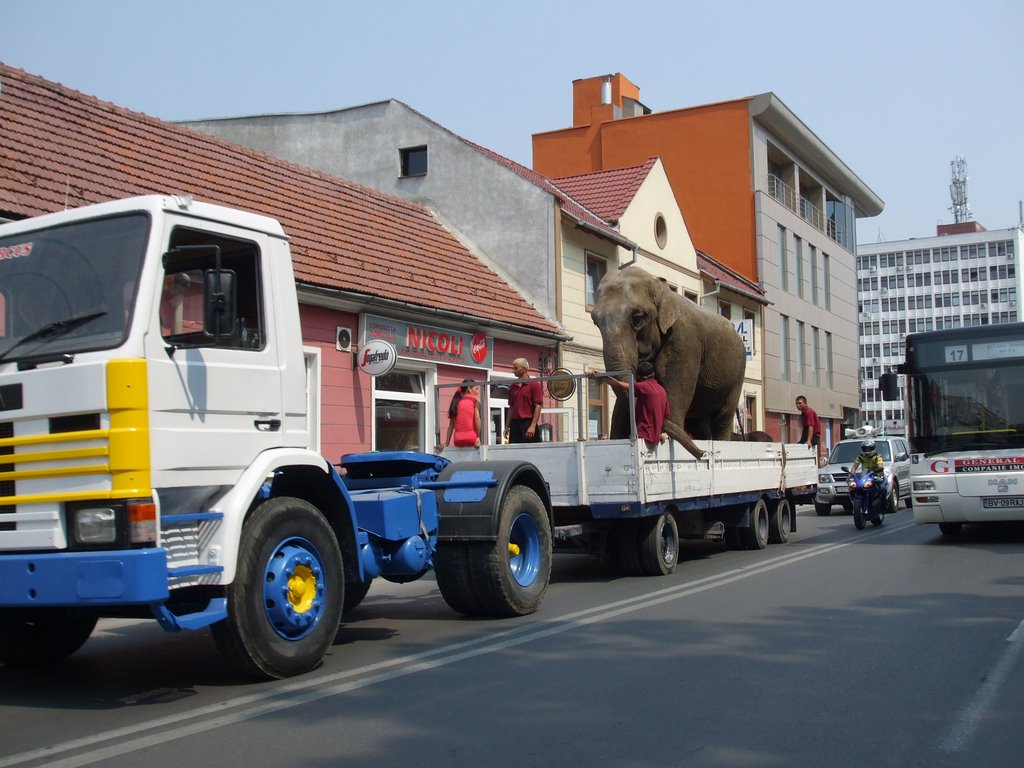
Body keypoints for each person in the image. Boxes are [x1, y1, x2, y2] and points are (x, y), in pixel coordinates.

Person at [590, 361, 669, 449]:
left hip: (642, 436)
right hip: (654, 439)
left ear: (639, 377)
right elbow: (666, 416)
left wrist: (600, 376)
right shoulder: (662, 391)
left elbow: (619, 384)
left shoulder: (644, 387)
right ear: (653, 374)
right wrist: (659, 433)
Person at [506, 357, 543, 443]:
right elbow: (511, 407)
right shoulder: (513, 386)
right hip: (515, 423)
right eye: (513, 368)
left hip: (528, 422)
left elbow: (538, 406)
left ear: (524, 369)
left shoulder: (534, 385)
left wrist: (533, 426)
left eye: (516, 368)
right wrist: (507, 426)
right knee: (515, 452)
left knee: (531, 452)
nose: (513, 371)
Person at [442, 380, 481, 449]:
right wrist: (479, 437)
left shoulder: (455, 402)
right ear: (469, 389)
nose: (478, 392)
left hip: (457, 440)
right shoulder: (475, 400)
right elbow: (477, 417)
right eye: (476, 389)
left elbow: (451, 425)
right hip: (472, 438)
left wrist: (446, 443)